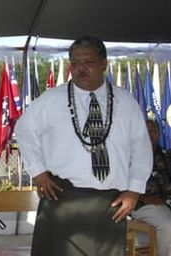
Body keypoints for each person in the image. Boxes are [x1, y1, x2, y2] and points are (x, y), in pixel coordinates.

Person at [14, 36, 152, 256]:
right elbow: (23, 130)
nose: (81, 69)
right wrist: (38, 172)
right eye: (75, 64)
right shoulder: (52, 99)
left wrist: (134, 190)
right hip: (63, 198)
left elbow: (141, 148)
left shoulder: (126, 102)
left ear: (104, 63)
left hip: (111, 203)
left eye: (88, 62)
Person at [131, 119, 171, 256]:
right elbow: (120, 186)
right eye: (147, 131)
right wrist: (142, 197)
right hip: (140, 203)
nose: (151, 134)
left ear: (159, 134)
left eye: (153, 131)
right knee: (168, 225)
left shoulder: (165, 155)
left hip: (165, 202)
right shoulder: (131, 156)